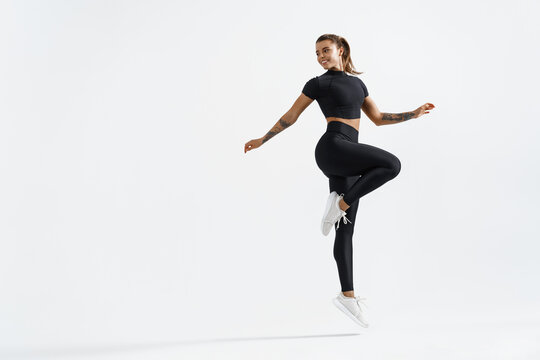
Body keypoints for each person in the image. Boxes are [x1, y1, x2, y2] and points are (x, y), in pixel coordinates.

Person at [244, 33, 435, 327]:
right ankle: (341, 203)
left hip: (349, 157)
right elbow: (291, 116)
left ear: (341, 50)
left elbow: (378, 117)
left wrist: (414, 113)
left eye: (326, 50)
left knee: (345, 232)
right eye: (317, 53)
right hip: (333, 148)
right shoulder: (318, 84)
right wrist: (263, 139)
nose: (321, 56)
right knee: (391, 164)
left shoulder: (358, 84)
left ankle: (347, 296)